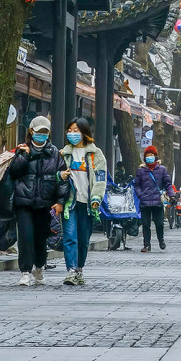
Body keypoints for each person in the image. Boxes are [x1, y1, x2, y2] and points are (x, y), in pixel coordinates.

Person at [8, 115, 69, 286]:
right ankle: (25, 271)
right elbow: (14, 172)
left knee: (41, 238)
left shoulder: (55, 154)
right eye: (38, 132)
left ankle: (40, 267)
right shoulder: (22, 149)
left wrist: (60, 202)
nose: (41, 135)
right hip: (24, 202)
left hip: (45, 203)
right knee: (25, 237)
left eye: (44, 132)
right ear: (31, 131)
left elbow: (62, 180)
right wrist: (24, 156)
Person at [59, 117, 107, 286]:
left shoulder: (95, 154)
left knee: (83, 239)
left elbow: (100, 179)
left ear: (84, 132)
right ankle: (71, 271)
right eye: (69, 130)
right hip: (69, 203)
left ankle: (79, 268)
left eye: (76, 130)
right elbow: (55, 175)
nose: (72, 134)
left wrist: (96, 198)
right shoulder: (64, 154)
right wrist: (60, 175)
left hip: (87, 204)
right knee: (70, 237)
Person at [133, 144, 174, 252]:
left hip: (157, 201)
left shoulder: (162, 170)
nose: (149, 157)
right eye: (148, 155)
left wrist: (172, 194)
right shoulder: (141, 171)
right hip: (144, 202)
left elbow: (168, 184)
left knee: (159, 223)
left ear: (155, 156)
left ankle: (161, 240)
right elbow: (136, 185)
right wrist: (140, 195)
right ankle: (147, 245)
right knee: (145, 224)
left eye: (151, 155)